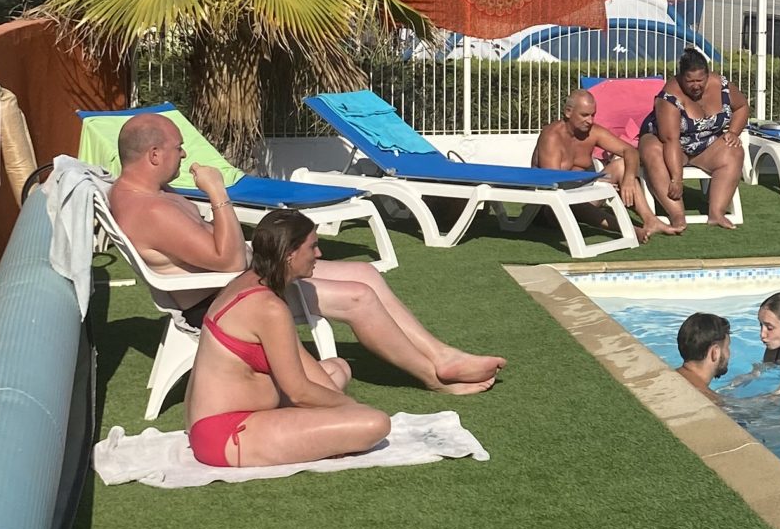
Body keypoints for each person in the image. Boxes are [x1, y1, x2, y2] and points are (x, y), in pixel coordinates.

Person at [109, 112, 505, 394]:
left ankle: (443, 354)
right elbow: (227, 260)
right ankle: (433, 376)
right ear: (155, 155)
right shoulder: (151, 209)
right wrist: (217, 193)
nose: (183, 155)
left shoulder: (147, 193)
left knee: (365, 274)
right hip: (223, 299)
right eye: (178, 148)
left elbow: (217, 246)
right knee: (359, 298)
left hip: (235, 278)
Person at [183, 209, 391, 470]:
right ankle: (327, 435)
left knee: (338, 368)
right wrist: (350, 408)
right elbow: (299, 391)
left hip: (215, 421)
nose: (318, 254)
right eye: (313, 246)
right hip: (226, 432)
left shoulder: (249, 282)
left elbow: (306, 368)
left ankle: (322, 432)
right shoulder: (268, 307)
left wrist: (336, 411)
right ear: (290, 253)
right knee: (374, 423)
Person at [638, 49, 750, 233]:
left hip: (706, 145)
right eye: (690, 81)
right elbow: (670, 140)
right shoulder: (669, 98)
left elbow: (742, 106)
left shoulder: (722, 86)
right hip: (670, 146)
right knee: (652, 150)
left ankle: (717, 212)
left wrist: (734, 132)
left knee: (734, 150)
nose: (696, 86)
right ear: (681, 78)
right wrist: (677, 178)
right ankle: (677, 216)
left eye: (700, 80)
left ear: (707, 75)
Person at [534, 87, 662, 241]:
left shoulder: (592, 132)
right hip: (552, 207)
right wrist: (596, 185)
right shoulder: (551, 137)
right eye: (584, 115)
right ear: (568, 112)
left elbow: (630, 151)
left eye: (593, 115)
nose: (590, 121)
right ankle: (628, 228)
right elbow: (552, 182)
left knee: (622, 165)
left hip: (583, 192)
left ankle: (650, 220)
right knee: (574, 202)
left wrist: (628, 178)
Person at [676, 311, 731, 398]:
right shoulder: (711, 401)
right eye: (727, 347)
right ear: (715, 353)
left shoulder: (670, 375)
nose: (729, 353)